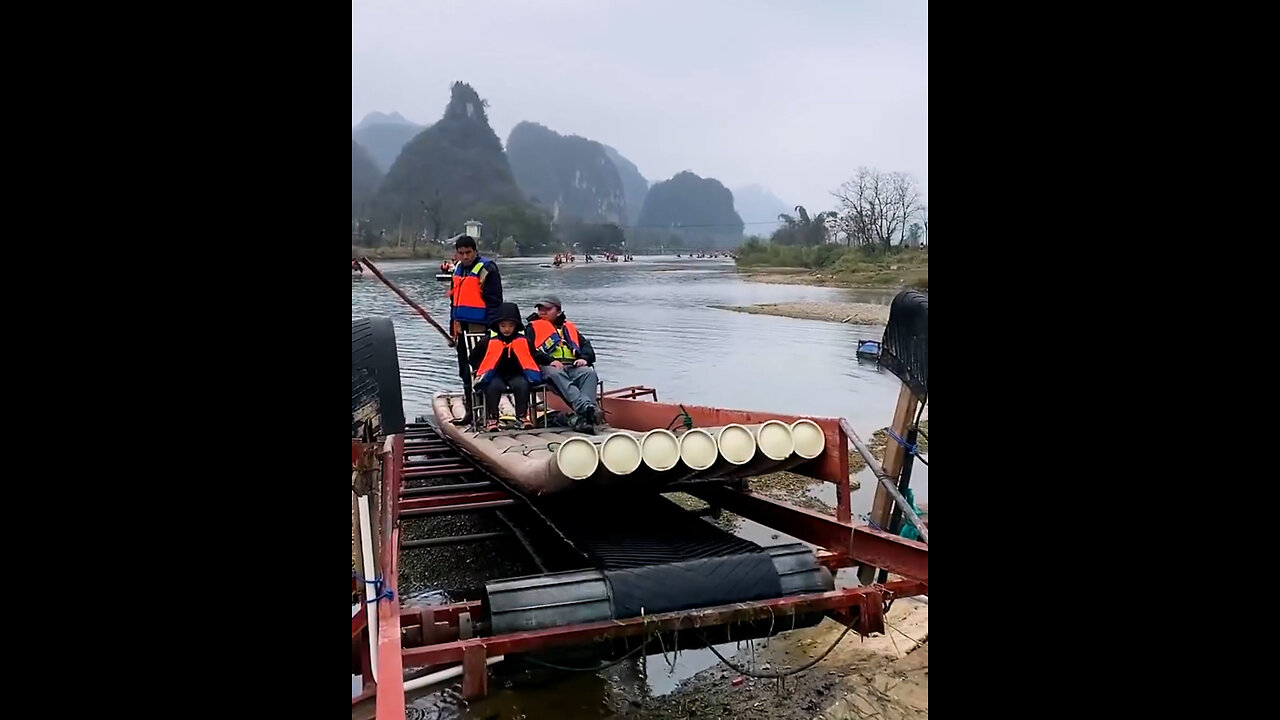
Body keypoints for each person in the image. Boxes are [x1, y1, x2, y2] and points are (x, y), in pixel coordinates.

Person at [450, 236, 503, 425]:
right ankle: (471, 412)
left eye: (468, 253)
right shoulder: (457, 270)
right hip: (461, 327)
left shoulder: (487, 269)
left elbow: (495, 303)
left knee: (482, 371)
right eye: (461, 253)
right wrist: (452, 329)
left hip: (481, 328)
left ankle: (489, 414)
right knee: (465, 371)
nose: (465, 257)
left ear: (475, 251)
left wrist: (492, 331)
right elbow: (453, 302)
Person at [526, 295, 601, 428]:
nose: (542, 312)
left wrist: (584, 358)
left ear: (558, 311)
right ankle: (587, 408)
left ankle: (586, 416)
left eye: (547, 309)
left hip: (572, 365)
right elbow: (529, 350)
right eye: (540, 309)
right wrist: (550, 361)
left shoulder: (569, 327)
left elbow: (586, 347)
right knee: (556, 373)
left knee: (588, 373)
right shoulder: (532, 327)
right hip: (546, 366)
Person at [468, 302, 541, 431]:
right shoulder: (487, 340)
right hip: (495, 374)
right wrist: (478, 368)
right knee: (493, 386)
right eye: (503, 326)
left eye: (510, 326)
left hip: (516, 373)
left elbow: (535, 356)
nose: (506, 329)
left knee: (522, 384)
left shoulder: (524, 340)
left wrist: (550, 362)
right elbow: (473, 357)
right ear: (497, 325)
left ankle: (522, 417)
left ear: (516, 326)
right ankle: (492, 418)